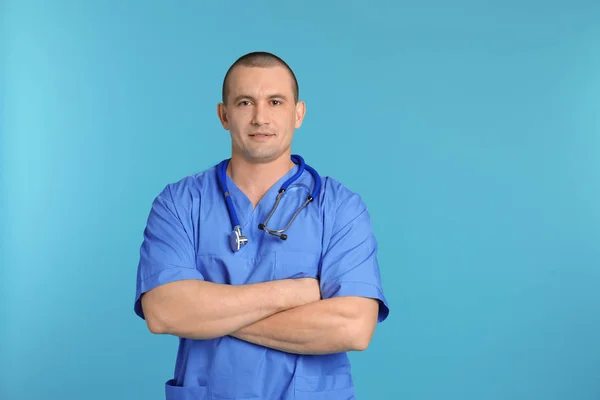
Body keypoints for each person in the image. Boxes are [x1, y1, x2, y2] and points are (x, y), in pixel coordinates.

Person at [134, 51, 390, 400]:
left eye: (275, 101)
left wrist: (210, 316)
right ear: (224, 115)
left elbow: (354, 328)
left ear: (297, 113)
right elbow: (165, 312)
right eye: (244, 102)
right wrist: (294, 294)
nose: (260, 117)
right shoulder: (180, 203)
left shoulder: (340, 207)